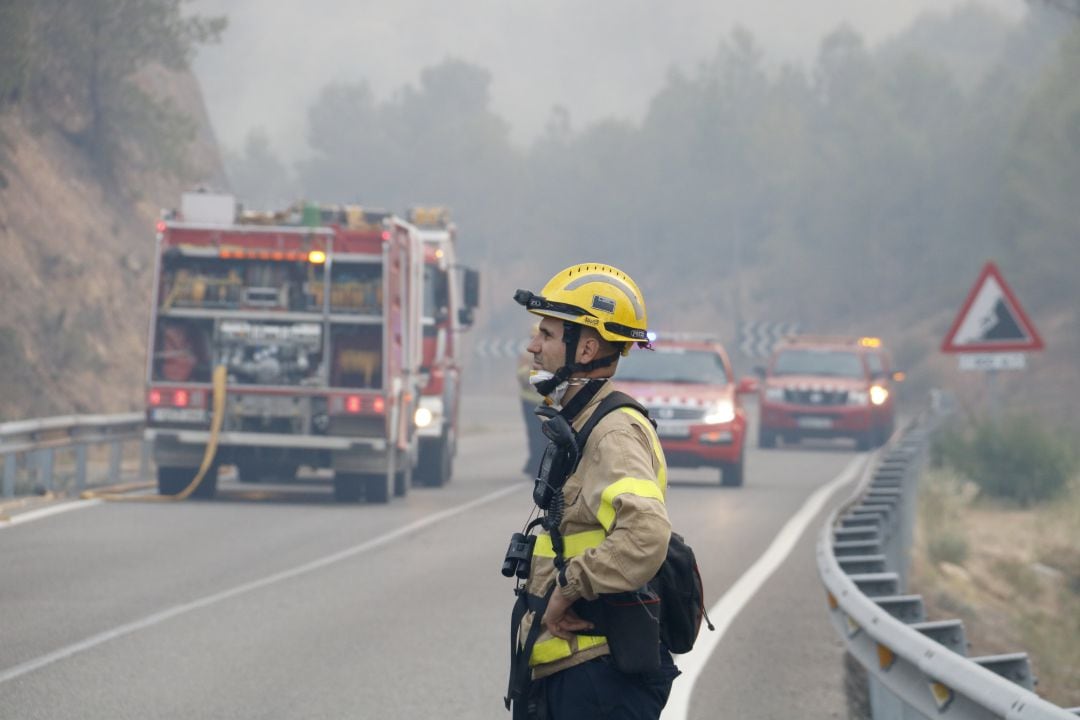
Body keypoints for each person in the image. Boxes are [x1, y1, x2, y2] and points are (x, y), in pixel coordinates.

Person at [504, 263, 678, 720]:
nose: (533, 346)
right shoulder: (582, 423)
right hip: (578, 673)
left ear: (586, 346)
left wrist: (566, 588)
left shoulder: (612, 434)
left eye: (547, 333)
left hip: (598, 678)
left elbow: (646, 534)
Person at [517, 342, 549, 475]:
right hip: (531, 401)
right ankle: (535, 465)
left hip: (548, 402)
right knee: (535, 435)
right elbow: (522, 376)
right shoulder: (527, 355)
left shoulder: (554, 353)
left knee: (545, 436)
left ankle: (538, 465)